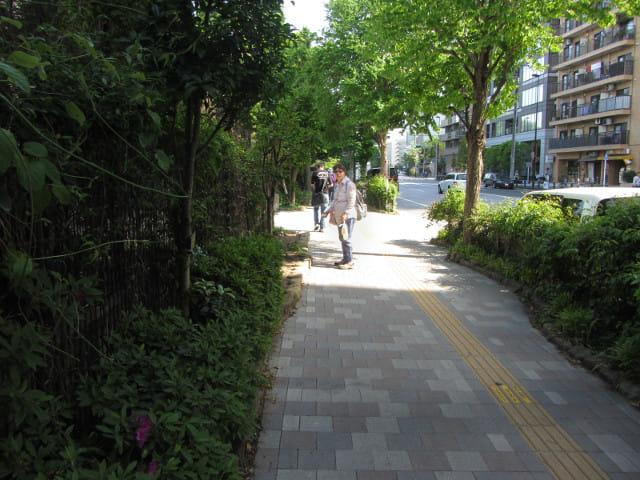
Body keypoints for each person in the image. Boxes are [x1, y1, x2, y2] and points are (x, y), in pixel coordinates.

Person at [323, 163, 357, 269]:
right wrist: (328, 211)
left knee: (346, 238)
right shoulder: (338, 184)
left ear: (344, 172)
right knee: (342, 238)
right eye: (336, 171)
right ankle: (345, 259)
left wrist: (346, 213)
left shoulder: (349, 184)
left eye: (340, 171)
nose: (338, 173)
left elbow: (352, 201)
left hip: (347, 216)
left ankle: (350, 261)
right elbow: (335, 200)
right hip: (339, 216)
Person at [310, 162, 332, 232]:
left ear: (317, 167)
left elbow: (312, 184)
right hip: (325, 194)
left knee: (316, 209)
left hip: (317, 194)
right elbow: (331, 184)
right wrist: (326, 186)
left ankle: (316, 224)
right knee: (324, 211)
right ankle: (322, 227)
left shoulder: (314, 173)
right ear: (323, 167)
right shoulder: (327, 173)